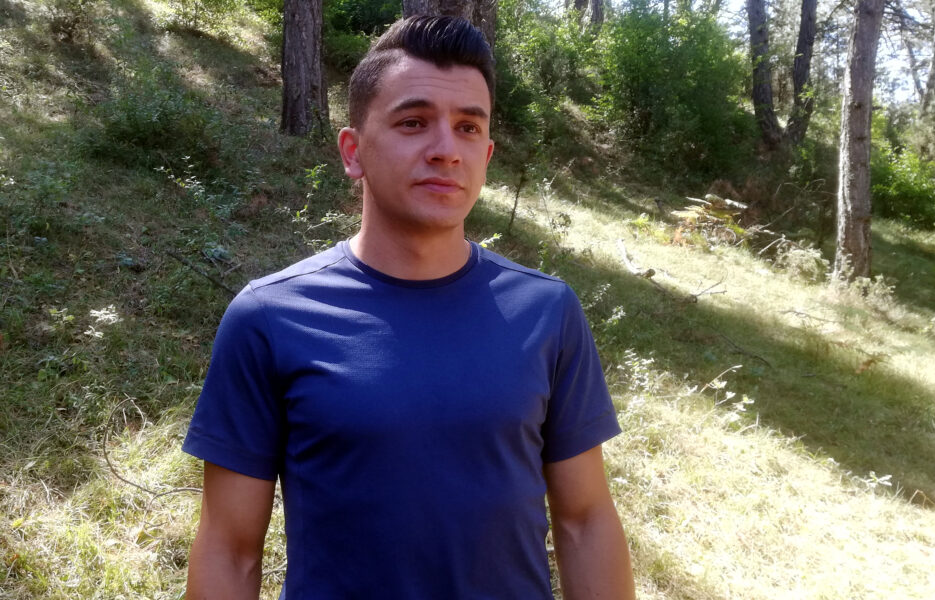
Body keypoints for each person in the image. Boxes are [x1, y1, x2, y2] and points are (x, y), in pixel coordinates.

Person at [183, 15, 634, 600]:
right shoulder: (269, 317)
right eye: (414, 122)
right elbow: (229, 548)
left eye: (468, 127)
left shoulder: (547, 311)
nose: (446, 150)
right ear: (353, 152)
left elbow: (586, 520)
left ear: (487, 154)